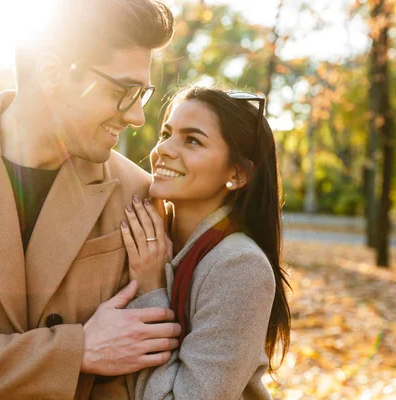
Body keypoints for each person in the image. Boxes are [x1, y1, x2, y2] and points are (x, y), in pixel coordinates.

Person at [0, 1, 182, 398]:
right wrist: (76, 351)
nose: (136, 116)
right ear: (51, 72)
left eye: (143, 94)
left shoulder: (138, 194)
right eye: (124, 91)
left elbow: (136, 375)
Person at [119, 86, 292, 399]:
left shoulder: (239, 267)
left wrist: (150, 289)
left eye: (192, 140)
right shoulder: (150, 236)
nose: (164, 150)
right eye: (165, 133)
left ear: (237, 174)